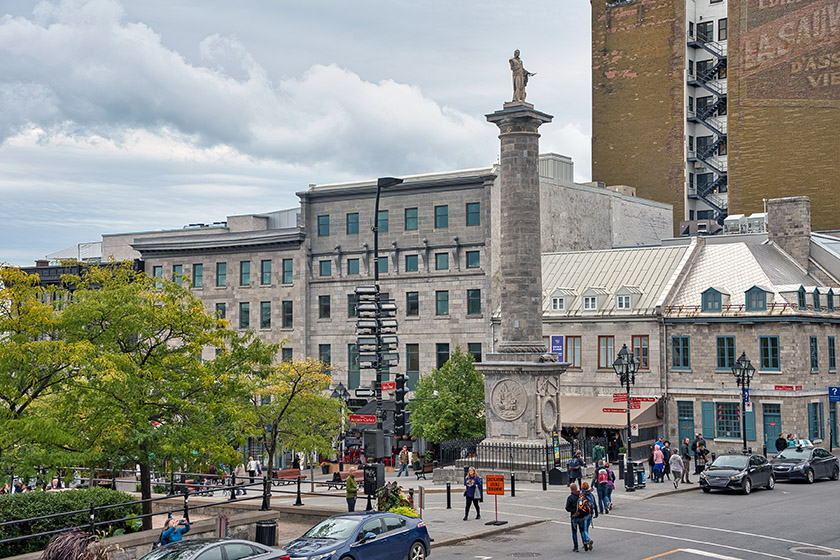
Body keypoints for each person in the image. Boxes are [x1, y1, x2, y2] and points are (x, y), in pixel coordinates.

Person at [565, 482, 584, 552]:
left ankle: (576, 547)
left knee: (574, 532)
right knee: (582, 530)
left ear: (571, 489)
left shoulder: (570, 498)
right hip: (581, 515)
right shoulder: (581, 496)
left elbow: (567, 508)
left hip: (574, 516)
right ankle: (584, 543)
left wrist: (573, 510)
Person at [579, 481, 598, 551]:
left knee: (583, 529)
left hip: (584, 514)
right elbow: (595, 504)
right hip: (591, 513)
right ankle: (586, 542)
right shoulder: (591, 494)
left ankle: (587, 540)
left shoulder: (582, 495)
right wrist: (596, 513)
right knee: (586, 528)